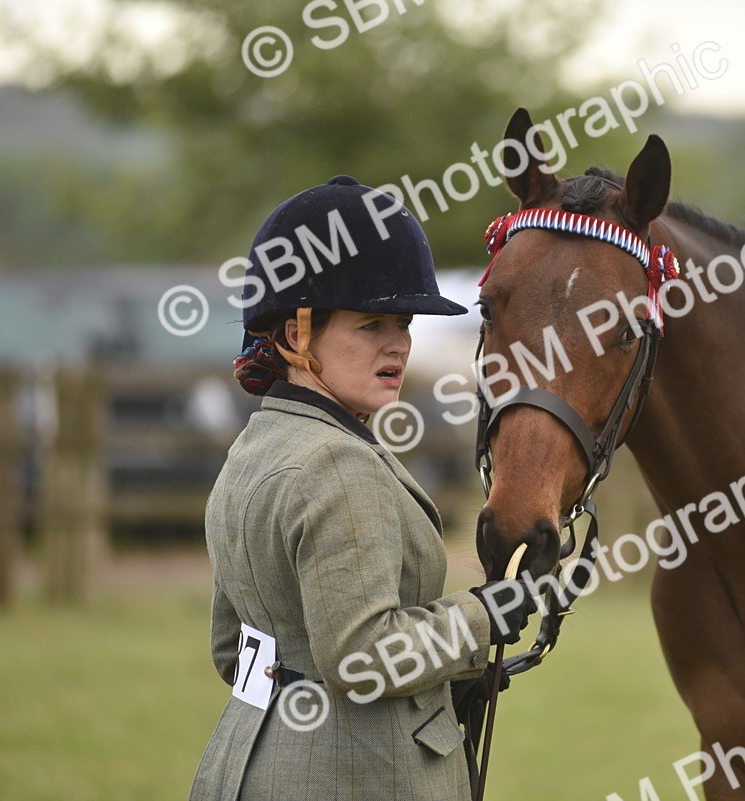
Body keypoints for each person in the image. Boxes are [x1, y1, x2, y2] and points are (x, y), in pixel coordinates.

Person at [189, 176, 533, 801]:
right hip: (353, 777)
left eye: (401, 323)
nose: (398, 343)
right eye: (370, 323)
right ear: (296, 336)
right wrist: (487, 614)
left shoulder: (253, 447)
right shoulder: (339, 466)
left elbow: (230, 649)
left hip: (241, 761)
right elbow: (363, 656)